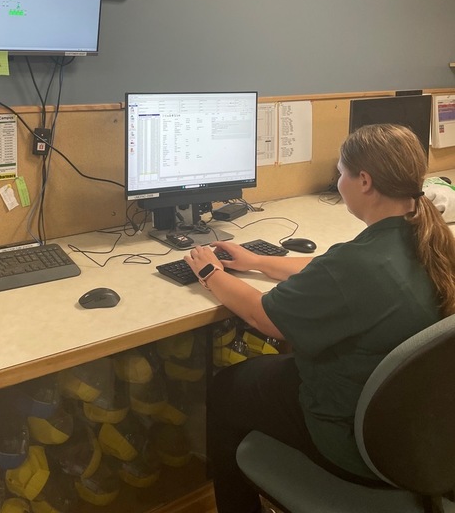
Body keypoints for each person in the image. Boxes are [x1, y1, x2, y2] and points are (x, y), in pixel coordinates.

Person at [184, 123, 455, 513]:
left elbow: (262, 316)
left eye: (341, 173)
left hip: (358, 440)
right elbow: (328, 269)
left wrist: (211, 273)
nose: (338, 182)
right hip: (419, 430)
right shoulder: (427, 235)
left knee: (228, 387)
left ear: (364, 181)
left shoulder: (356, 264)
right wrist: (260, 261)